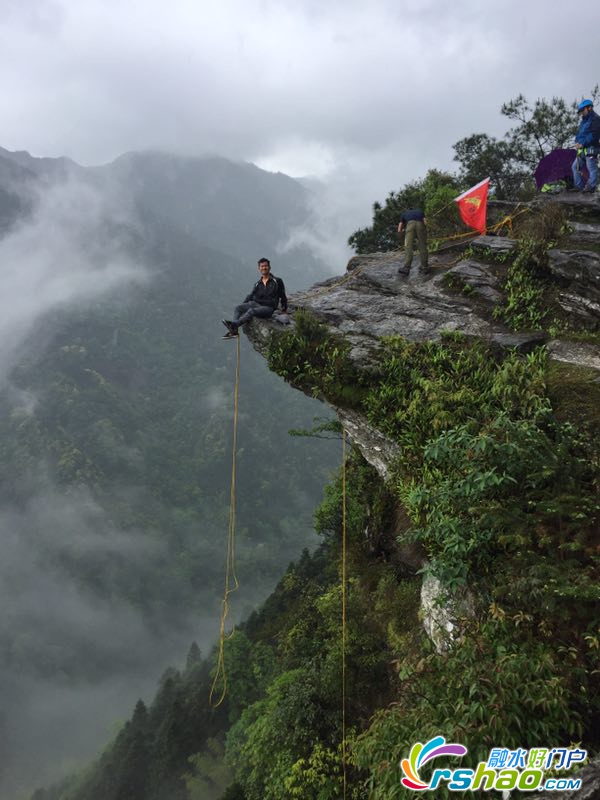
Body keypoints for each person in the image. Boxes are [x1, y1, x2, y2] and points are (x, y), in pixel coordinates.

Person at [222, 257, 287, 338]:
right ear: (259, 268)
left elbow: (282, 295)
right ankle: (234, 331)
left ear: (269, 267)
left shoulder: (277, 281)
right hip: (255, 304)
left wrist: (284, 309)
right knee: (238, 308)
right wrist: (243, 305)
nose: (264, 268)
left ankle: (234, 325)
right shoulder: (258, 284)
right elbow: (251, 296)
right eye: (262, 266)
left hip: (268, 308)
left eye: (266, 266)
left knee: (251, 311)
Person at [572, 99, 600, 193]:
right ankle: (579, 187)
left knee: (591, 167)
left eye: (582, 110)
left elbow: (594, 135)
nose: (581, 113)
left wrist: (582, 143)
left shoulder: (596, 119)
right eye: (580, 112)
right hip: (582, 149)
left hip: (592, 148)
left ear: (589, 108)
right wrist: (577, 142)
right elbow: (579, 134)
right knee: (575, 167)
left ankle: (591, 188)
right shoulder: (583, 122)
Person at [397, 208, 428, 274]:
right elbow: (425, 222)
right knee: (422, 245)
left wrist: (400, 232)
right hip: (420, 224)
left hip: (410, 225)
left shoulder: (404, 213)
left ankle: (406, 268)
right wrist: (424, 230)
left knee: (408, 246)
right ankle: (424, 267)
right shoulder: (420, 211)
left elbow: (400, 227)